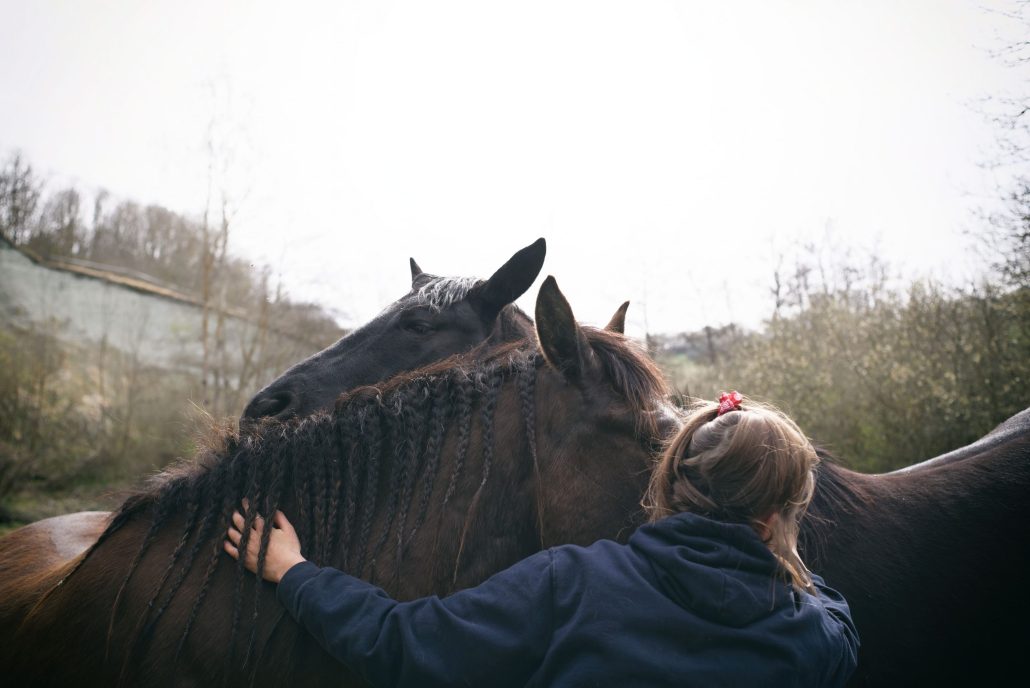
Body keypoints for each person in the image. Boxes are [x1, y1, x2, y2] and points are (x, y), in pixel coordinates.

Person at [225, 392, 859, 687]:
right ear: (775, 516)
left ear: (674, 480)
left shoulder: (572, 584)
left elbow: (404, 644)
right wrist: (782, 560)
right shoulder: (815, 639)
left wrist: (296, 572)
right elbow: (835, 614)